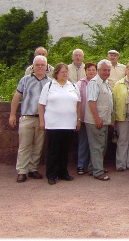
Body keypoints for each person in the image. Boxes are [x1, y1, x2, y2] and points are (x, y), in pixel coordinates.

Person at [10, 55, 51, 183]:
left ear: (46, 67)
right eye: (37, 65)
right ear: (33, 66)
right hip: (27, 117)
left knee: (38, 146)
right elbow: (17, 97)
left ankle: (33, 169)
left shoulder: (50, 82)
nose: (39, 67)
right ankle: (22, 171)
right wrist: (12, 114)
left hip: (42, 119)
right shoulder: (25, 80)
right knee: (24, 145)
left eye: (42, 65)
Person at [38, 63, 81, 185]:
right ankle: (51, 174)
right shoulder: (49, 85)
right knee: (53, 150)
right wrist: (42, 121)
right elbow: (41, 104)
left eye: (66, 71)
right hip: (53, 124)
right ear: (56, 73)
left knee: (65, 150)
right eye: (62, 72)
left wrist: (78, 120)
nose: (65, 74)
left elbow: (78, 104)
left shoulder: (73, 86)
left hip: (69, 124)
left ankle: (63, 172)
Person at [85, 59, 114, 181]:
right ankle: (98, 171)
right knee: (98, 146)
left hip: (103, 120)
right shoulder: (94, 83)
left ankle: (94, 168)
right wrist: (97, 118)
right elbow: (91, 102)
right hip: (96, 121)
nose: (107, 72)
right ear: (98, 70)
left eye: (108, 70)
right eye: (104, 70)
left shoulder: (104, 82)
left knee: (101, 145)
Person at [75, 62, 97, 175]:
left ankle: (93, 165)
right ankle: (81, 165)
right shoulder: (80, 83)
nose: (91, 72)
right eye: (89, 70)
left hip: (95, 118)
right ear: (85, 71)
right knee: (83, 142)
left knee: (95, 143)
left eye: (93, 70)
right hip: (83, 117)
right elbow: (77, 101)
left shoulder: (99, 82)